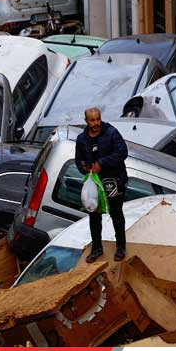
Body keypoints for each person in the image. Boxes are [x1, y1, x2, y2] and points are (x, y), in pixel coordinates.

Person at [75, 107, 128, 262]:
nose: (96, 123)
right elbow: (78, 159)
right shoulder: (82, 139)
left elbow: (122, 152)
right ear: (86, 121)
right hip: (95, 185)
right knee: (94, 216)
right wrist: (84, 167)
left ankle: (121, 247)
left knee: (116, 214)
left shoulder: (111, 133)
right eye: (92, 120)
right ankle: (97, 248)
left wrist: (102, 163)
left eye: (98, 119)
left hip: (114, 181)